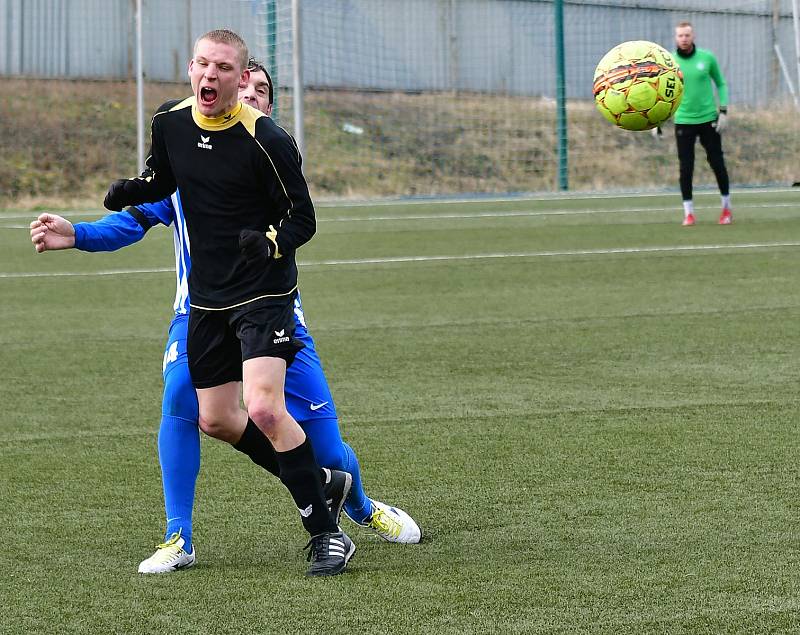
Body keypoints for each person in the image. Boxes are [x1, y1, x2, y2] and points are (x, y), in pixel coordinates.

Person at [31, 57, 421, 575]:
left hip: (272, 315)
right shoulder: (189, 159)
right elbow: (135, 218)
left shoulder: (269, 154)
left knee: (322, 444)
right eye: (248, 85)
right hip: (200, 313)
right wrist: (77, 233)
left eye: (264, 90)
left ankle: (359, 506)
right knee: (184, 400)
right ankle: (179, 537)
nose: (254, 95)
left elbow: (301, 219)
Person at [654, 21, 732, 226]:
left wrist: (723, 111)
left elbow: (721, 83)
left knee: (717, 163)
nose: (684, 39)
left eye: (687, 35)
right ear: (675, 38)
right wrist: (657, 119)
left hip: (708, 120)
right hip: (683, 121)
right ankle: (688, 213)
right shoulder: (668, 62)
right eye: (680, 35)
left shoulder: (707, 58)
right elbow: (661, 92)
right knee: (686, 167)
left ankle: (726, 209)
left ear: (693, 36)